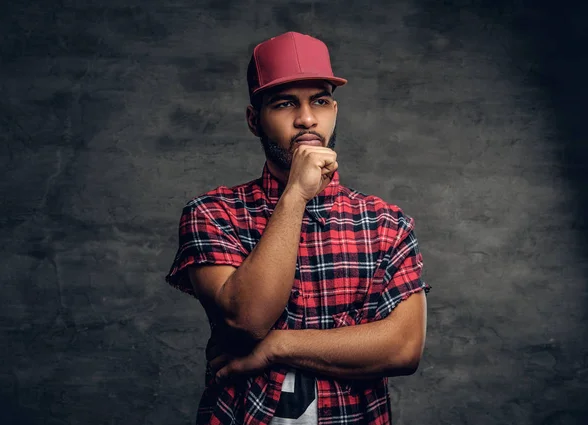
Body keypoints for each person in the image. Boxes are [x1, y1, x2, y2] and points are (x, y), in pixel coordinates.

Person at [165, 31, 431, 425]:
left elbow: (404, 348)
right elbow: (246, 319)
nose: (307, 119)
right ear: (255, 121)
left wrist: (275, 346)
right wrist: (295, 196)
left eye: (320, 101)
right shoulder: (213, 213)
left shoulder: (385, 223)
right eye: (285, 103)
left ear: (334, 111)